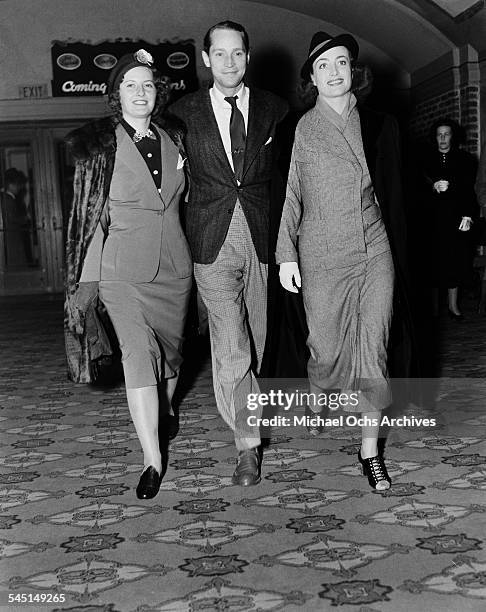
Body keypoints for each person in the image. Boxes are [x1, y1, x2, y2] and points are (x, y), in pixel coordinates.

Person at [276, 31, 408, 490]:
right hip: (321, 251)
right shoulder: (298, 129)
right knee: (328, 351)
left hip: (374, 249)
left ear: (353, 70)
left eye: (341, 62)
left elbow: (393, 193)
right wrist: (285, 254)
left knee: (374, 347)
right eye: (323, 65)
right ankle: (321, 394)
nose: (334, 71)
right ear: (311, 78)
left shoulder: (379, 125)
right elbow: (289, 195)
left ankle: (369, 451)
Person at [64, 49, 192, 500]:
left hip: (176, 267)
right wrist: (87, 281)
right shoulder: (100, 146)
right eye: (130, 85)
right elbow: (89, 218)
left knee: (171, 358)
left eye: (148, 84)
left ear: (158, 93)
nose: (141, 92)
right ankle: (151, 459)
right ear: (116, 94)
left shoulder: (176, 136)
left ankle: (167, 407)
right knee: (138, 355)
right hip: (122, 270)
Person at [170, 21, 288, 486]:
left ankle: (249, 411)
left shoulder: (277, 110)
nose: (229, 62)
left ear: (248, 56)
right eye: (220, 54)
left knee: (256, 339)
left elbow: (286, 181)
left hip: (260, 235)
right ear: (205, 59)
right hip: (210, 238)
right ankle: (247, 446)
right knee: (231, 342)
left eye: (237, 53)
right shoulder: (181, 114)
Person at [420, 118, 477, 319]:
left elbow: (470, 192)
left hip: (456, 218)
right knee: (433, 262)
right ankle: (433, 310)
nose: (443, 138)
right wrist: (431, 187)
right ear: (434, 137)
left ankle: (453, 307)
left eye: (447, 134)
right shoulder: (423, 160)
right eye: (439, 134)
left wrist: (468, 216)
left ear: (453, 136)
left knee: (455, 261)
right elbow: (412, 190)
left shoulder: (466, 160)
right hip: (431, 220)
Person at [0, 168, 33, 266]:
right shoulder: (8, 199)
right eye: (17, 184)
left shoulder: (6, 198)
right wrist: (25, 218)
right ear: (10, 185)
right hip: (12, 240)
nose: (19, 187)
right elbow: (11, 218)